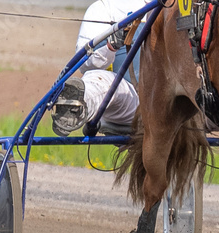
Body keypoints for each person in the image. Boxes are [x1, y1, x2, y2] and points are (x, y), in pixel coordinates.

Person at [52, 0, 148, 136]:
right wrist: (110, 46)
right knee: (101, 80)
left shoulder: (174, 6)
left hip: (173, 98)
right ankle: (75, 107)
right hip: (132, 100)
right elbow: (85, 64)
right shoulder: (104, 8)